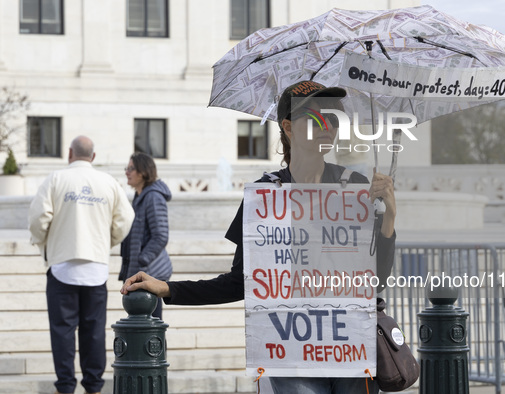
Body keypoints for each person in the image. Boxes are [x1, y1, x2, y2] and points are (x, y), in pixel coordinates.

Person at [121, 81, 396, 394]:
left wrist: (389, 218)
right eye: (316, 119)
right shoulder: (265, 197)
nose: (327, 127)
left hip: (350, 346)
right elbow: (242, 282)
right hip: (292, 350)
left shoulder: (354, 187)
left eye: (332, 119)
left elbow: (376, 279)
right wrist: (168, 288)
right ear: (289, 128)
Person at [28, 136, 134, 394]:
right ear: (93, 157)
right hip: (95, 268)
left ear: (69, 153)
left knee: (63, 331)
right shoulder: (108, 182)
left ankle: (65, 387)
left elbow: (39, 218)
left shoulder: (55, 179)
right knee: (94, 331)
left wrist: (44, 242)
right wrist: (104, 242)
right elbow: (125, 219)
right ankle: (94, 387)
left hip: (62, 265)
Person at [119, 152, 173, 319]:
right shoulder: (140, 196)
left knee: (150, 326)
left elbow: (161, 235)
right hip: (140, 272)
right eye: (126, 168)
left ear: (143, 172)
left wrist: (142, 260)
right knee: (143, 324)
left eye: (131, 168)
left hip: (150, 273)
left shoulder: (153, 197)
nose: (127, 172)